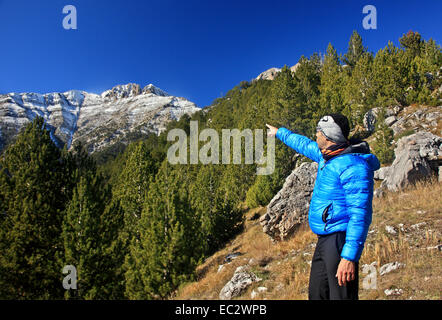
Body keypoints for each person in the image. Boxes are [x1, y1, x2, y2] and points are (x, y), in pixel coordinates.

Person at [266, 114, 380, 300]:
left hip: (339, 240)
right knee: (317, 294)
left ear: (328, 136)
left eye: (319, 131)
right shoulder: (326, 156)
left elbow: (360, 215)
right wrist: (280, 133)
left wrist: (349, 257)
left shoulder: (354, 166)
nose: (316, 134)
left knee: (341, 296)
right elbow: (302, 144)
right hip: (324, 239)